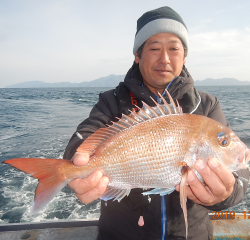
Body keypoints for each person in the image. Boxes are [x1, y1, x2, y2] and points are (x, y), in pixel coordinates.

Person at [63, 6, 249, 240]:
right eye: (154, 48)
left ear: (184, 55)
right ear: (137, 55)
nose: (164, 58)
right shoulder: (112, 101)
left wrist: (226, 193)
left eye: (174, 48)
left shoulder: (207, 105)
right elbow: (83, 136)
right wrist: (75, 161)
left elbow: (241, 178)